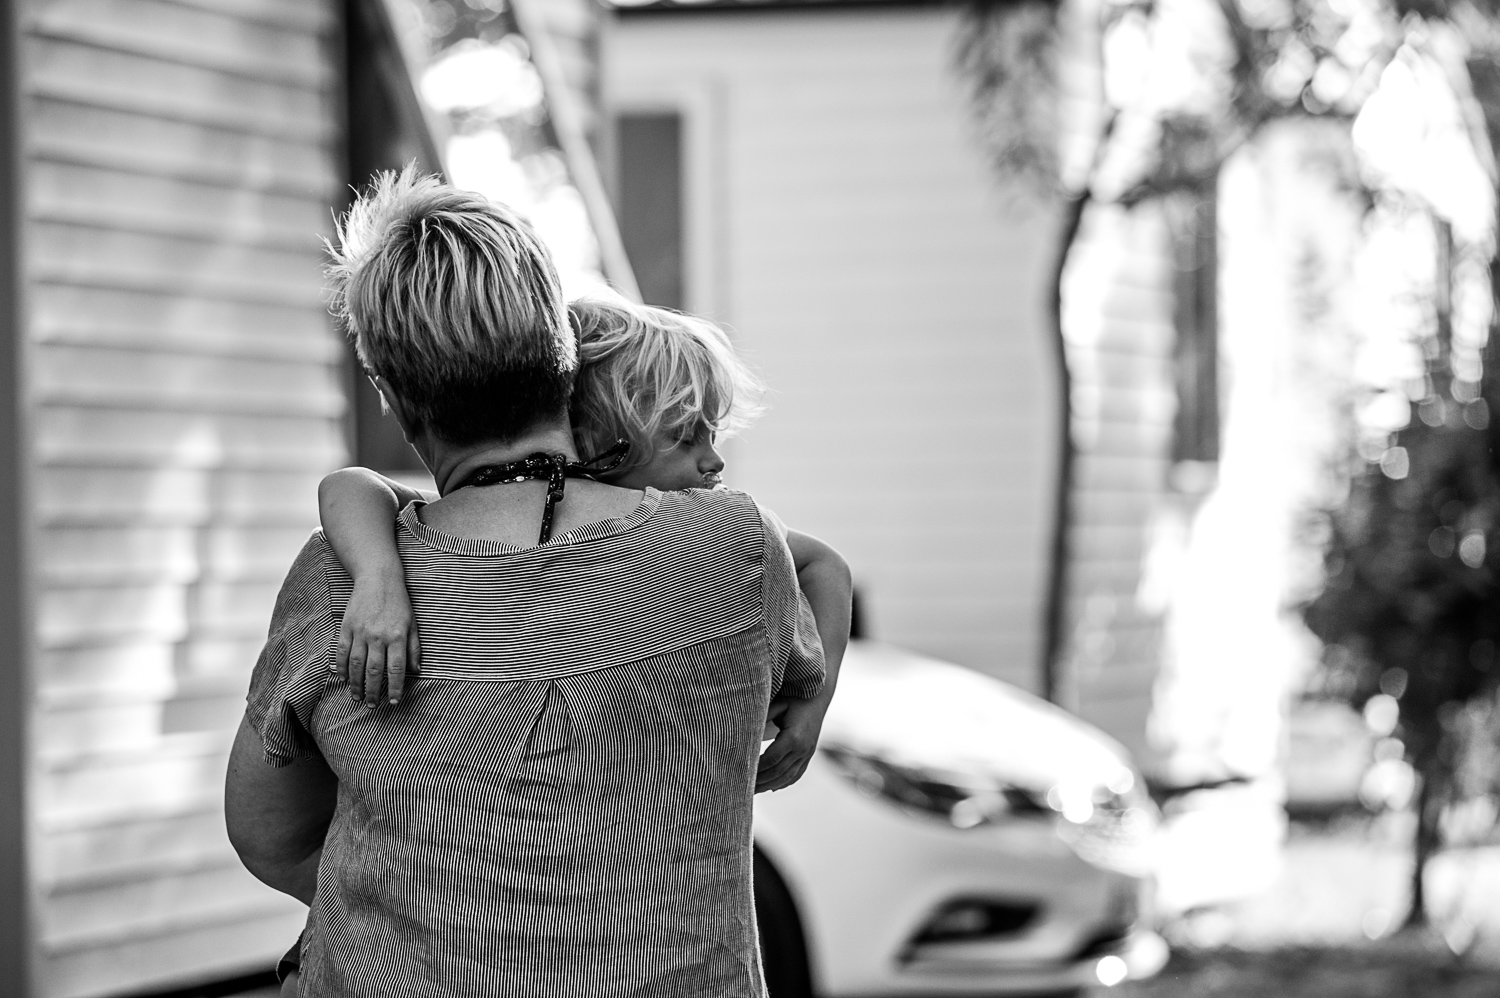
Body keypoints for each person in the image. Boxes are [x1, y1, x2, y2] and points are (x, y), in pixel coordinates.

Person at [225, 168, 827, 997]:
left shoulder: (344, 578)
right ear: (562, 354)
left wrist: (437, 914)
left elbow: (271, 832)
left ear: (393, 393)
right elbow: (786, 686)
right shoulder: (735, 551)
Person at [318, 297, 852, 785]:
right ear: (601, 436)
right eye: (685, 437)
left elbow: (827, 566)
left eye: (713, 434)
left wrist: (812, 712)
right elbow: (350, 484)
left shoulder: (711, 525)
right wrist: (377, 575)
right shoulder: (510, 498)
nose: (714, 460)